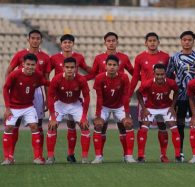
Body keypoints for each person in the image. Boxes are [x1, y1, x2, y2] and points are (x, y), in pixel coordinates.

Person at [86, 32, 134, 158]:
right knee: (102, 126)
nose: (111, 43)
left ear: (117, 42)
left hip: (119, 97)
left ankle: (127, 156)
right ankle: (99, 156)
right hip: (104, 98)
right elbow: (92, 74)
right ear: (105, 43)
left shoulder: (124, 57)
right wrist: (79, 79)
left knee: (123, 127)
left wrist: (145, 79)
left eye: (113, 40)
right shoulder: (98, 58)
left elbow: (133, 72)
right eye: (108, 41)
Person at [5, 29, 50, 160]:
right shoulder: (20, 55)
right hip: (19, 91)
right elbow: (9, 71)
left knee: (38, 124)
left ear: (41, 40)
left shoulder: (45, 57)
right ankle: (10, 156)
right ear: (28, 39)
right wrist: (10, 88)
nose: (35, 40)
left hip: (36, 92)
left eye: (38, 38)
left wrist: (47, 99)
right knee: (15, 124)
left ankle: (39, 156)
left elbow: (46, 80)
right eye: (33, 38)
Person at [47, 34, 92, 163]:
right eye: (68, 67)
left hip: (75, 103)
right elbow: (50, 96)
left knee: (85, 126)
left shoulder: (80, 78)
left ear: (76, 68)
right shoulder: (56, 78)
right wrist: (53, 117)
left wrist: (84, 116)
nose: (70, 69)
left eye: (72, 67)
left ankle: (84, 158)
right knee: (51, 126)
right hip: (59, 103)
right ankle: (50, 157)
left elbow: (87, 96)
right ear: (63, 68)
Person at [166, 30, 195, 162]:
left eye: (189, 40)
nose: (187, 42)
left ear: (193, 41)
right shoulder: (175, 57)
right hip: (181, 96)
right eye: (184, 39)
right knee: (180, 124)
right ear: (181, 41)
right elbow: (168, 75)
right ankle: (181, 153)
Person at [92, 55, 136, 164]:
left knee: (128, 124)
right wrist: (98, 116)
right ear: (105, 66)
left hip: (119, 106)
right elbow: (99, 98)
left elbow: (126, 96)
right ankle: (98, 156)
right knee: (98, 125)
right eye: (110, 65)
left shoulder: (124, 77)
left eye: (114, 65)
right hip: (104, 107)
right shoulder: (99, 78)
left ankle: (128, 156)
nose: (112, 67)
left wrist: (127, 114)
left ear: (118, 66)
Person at [136, 63, 181, 163]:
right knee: (143, 129)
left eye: (162, 74)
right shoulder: (148, 83)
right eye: (157, 74)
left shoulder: (171, 83)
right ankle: (140, 156)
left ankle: (175, 156)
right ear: (154, 73)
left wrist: (173, 106)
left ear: (165, 74)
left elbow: (177, 92)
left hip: (166, 107)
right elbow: (138, 93)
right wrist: (144, 108)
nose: (160, 76)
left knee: (174, 127)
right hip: (151, 107)